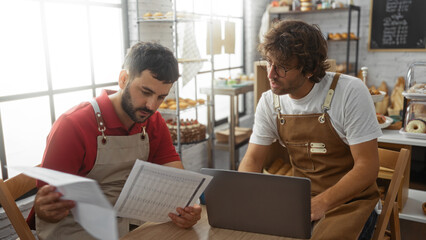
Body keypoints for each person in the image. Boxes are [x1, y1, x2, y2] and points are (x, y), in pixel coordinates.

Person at [27, 41, 202, 239]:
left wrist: (187, 209)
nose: (152, 105)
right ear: (123, 79)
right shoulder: (73, 124)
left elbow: (177, 182)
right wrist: (46, 209)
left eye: (161, 97)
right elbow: (46, 209)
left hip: (131, 226)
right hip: (77, 230)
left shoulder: (153, 122)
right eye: (145, 92)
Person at [238, 19, 381, 240]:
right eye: (268, 62)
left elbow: (368, 167)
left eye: (282, 67)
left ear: (310, 69)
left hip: (350, 202)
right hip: (300, 200)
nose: (270, 74)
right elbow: (253, 160)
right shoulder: (269, 102)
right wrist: (244, 196)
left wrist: (321, 203)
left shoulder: (349, 92)